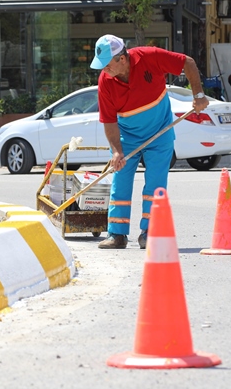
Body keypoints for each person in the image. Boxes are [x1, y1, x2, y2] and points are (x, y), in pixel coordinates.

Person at [89, 35, 208, 249]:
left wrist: (198, 94)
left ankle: (149, 232)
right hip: (126, 135)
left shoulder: (150, 57)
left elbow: (187, 62)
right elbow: (109, 121)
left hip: (160, 131)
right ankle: (117, 234)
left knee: (155, 184)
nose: (104, 70)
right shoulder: (105, 82)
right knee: (120, 181)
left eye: (107, 65)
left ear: (122, 59)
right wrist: (117, 151)